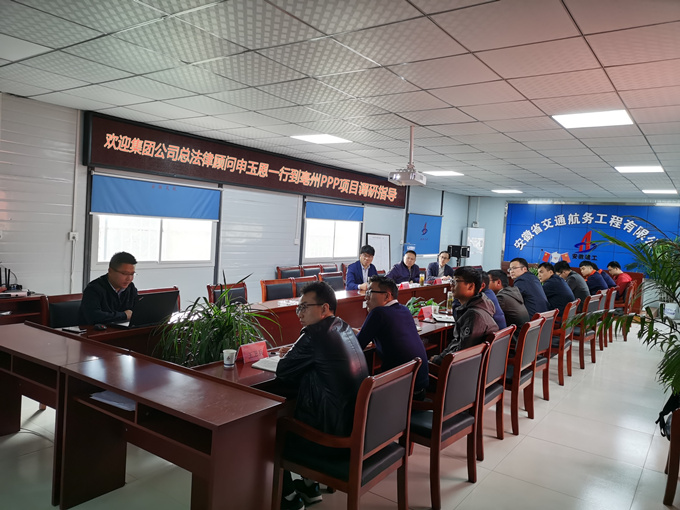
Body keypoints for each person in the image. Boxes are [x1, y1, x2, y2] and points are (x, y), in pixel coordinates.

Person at [276, 281, 369, 510]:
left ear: (324, 308)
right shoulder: (344, 327)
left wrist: (294, 354)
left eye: (304, 307)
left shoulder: (314, 333)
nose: (300, 314)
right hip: (353, 429)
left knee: (271, 427)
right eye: (298, 308)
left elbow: (283, 371)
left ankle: (288, 497)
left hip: (330, 439)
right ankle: (310, 487)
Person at [355, 275, 429, 398]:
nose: (366, 297)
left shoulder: (378, 313)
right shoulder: (404, 310)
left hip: (401, 392)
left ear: (387, 296)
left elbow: (357, 346)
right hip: (419, 388)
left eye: (370, 292)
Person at [431, 267, 498, 364]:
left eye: (456, 281)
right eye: (452, 281)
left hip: (466, 367)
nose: (451, 284)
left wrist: (438, 360)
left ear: (471, 286)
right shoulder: (482, 303)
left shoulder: (474, 315)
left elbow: (462, 351)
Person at [78, 251, 138, 325]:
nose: (129, 278)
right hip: (94, 331)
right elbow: (94, 317)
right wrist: (124, 315)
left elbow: (137, 311)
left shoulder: (130, 287)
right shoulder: (94, 289)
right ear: (110, 271)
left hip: (121, 329)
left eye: (132, 274)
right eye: (124, 274)